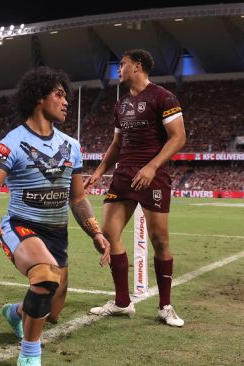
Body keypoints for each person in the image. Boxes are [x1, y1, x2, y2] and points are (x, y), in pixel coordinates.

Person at [0, 67, 111, 366]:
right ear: (38, 97)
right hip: (22, 226)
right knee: (46, 276)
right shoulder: (12, 142)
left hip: (57, 233)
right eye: (59, 95)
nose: (65, 102)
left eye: (66, 96)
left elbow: (77, 198)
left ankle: (16, 312)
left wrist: (96, 232)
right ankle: (30, 354)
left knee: (51, 311)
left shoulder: (72, 146)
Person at [84, 49, 186, 327]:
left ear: (137, 67)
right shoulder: (122, 104)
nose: (118, 70)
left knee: (160, 241)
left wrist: (152, 166)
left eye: (123, 65)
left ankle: (165, 306)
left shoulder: (163, 97)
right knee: (109, 233)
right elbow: (116, 145)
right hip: (124, 175)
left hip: (152, 175)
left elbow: (178, 138)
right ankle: (121, 302)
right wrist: (99, 172)